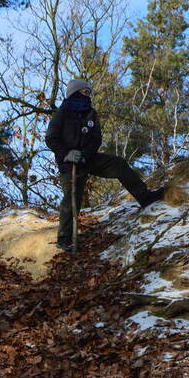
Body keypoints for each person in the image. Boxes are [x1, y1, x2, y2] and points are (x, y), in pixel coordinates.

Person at [46, 79, 165, 251]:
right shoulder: (63, 112)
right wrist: (67, 154)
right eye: (85, 91)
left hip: (87, 158)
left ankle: (145, 197)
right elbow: (51, 138)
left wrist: (84, 155)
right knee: (72, 197)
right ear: (75, 92)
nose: (88, 95)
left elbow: (96, 139)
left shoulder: (91, 113)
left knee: (118, 164)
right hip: (68, 164)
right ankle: (64, 237)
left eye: (89, 92)